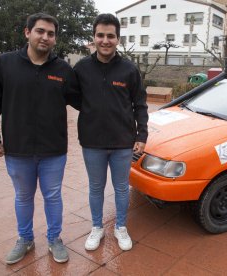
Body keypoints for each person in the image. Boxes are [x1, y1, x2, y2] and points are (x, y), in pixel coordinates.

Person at [0, 13, 79, 264]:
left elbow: (83, 101)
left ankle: (54, 239)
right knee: (23, 197)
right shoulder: (5, 64)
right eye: (40, 31)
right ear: (27, 33)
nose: (45, 37)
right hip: (17, 149)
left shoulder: (63, 69)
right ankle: (25, 239)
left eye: (50, 33)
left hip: (53, 150)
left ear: (55, 38)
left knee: (53, 196)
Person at [73, 13, 148, 251]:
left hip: (122, 143)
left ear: (118, 38)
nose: (105, 40)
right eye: (100, 35)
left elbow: (140, 104)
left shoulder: (129, 70)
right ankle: (97, 227)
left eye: (111, 36)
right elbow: (75, 98)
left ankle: (121, 227)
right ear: (94, 37)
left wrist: (142, 135)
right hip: (92, 142)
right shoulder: (82, 68)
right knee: (96, 188)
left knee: (121, 188)